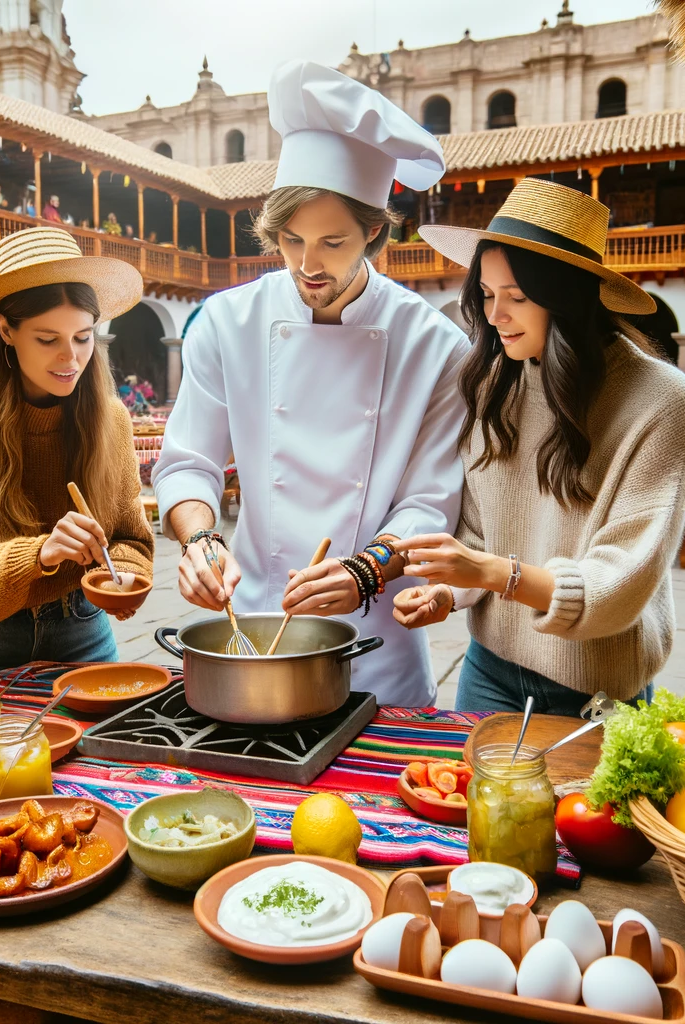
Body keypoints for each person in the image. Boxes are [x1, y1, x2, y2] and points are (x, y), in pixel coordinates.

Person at [152, 61, 468, 706]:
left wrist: (366, 570)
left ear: (375, 232)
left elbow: (431, 499)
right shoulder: (227, 321)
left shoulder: (435, 345)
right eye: (290, 239)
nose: (306, 264)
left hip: (376, 631)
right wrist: (201, 541)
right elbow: (188, 462)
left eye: (331, 242)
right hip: (255, 617)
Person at [392, 179, 685, 714]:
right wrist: (447, 592)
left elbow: (620, 582)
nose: (494, 316)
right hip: (488, 667)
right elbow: (477, 528)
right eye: (487, 295)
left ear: (568, 296)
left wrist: (494, 573)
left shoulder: (661, 401)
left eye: (516, 297)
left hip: (597, 689)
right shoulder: (495, 382)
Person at [0, 226, 151, 689]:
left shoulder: (112, 419)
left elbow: (130, 538)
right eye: (47, 339)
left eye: (83, 337)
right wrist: (39, 552)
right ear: (5, 330)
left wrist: (125, 579)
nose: (71, 358)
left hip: (85, 635)